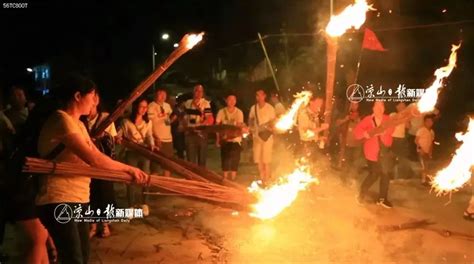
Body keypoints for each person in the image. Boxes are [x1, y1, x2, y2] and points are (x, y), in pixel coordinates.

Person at [36, 74, 148, 264]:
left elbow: (99, 156)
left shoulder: (79, 124)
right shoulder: (61, 120)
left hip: (80, 198)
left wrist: (124, 172)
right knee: (73, 259)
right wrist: (129, 169)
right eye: (92, 95)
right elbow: (94, 159)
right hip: (59, 198)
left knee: (83, 256)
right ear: (78, 96)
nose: (95, 101)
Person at [81, 92, 117, 239]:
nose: (93, 100)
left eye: (96, 96)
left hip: (102, 163)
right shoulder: (80, 119)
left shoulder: (106, 118)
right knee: (89, 194)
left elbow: (113, 141)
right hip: (86, 163)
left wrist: (103, 137)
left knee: (105, 193)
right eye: (90, 96)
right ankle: (92, 225)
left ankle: (105, 224)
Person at [354, 101, 395, 208]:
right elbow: (357, 132)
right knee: (374, 174)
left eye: (381, 106)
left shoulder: (388, 119)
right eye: (377, 106)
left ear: (384, 108)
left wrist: (383, 131)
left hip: (385, 152)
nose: (379, 108)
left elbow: (391, 129)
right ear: (373, 108)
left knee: (385, 175)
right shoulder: (368, 120)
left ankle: (382, 199)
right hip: (372, 153)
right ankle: (361, 194)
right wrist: (364, 134)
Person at [119, 98, 155, 216]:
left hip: (144, 152)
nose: (144, 109)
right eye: (142, 106)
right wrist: (118, 138)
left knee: (146, 178)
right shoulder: (126, 121)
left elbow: (149, 135)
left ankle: (144, 204)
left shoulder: (148, 122)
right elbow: (120, 134)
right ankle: (131, 206)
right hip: (131, 152)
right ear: (136, 107)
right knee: (131, 180)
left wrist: (151, 145)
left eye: (146, 107)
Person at [248, 88, 276, 184]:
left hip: (267, 137)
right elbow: (251, 119)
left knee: (266, 160)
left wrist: (266, 126)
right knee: (258, 159)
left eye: (261, 95)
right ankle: (262, 178)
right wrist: (252, 128)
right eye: (257, 95)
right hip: (257, 137)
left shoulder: (270, 108)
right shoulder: (253, 108)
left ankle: (267, 179)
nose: (259, 97)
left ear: (264, 96)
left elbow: (273, 122)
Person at [216, 93, 245, 180]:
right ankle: (225, 178)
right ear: (226, 101)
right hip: (225, 140)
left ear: (236, 101)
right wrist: (217, 139)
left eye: (233, 100)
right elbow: (217, 126)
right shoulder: (221, 112)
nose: (231, 102)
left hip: (236, 140)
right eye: (229, 100)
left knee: (235, 160)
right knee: (225, 159)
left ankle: (233, 179)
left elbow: (240, 125)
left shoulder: (239, 112)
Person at [183, 84, 214, 167]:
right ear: (194, 92)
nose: (199, 93)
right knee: (190, 159)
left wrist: (200, 125)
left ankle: (201, 177)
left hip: (201, 133)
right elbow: (184, 117)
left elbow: (210, 118)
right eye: (197, 90)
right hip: (190, 133)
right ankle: (191, 177)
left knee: (202, 158)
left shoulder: (205, 103)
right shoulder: (188, 103)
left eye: (201, 91)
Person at [148, 89, 175, 177]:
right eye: (160, 94)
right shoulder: (151, 106)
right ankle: (154, 188)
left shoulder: (167, 106)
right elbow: (150, 124)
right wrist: (155, 137)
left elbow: (167, 121)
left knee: (168, 166)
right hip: (158, 139)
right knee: (156, 166)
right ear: (156, 95)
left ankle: (166, 187)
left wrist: (174, 118)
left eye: (164, 94)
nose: (163, 96)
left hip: (168, 138)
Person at [297, 95, 329, 168]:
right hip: (306, 145)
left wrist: (319, 138)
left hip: (313, 144)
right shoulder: (304, 114)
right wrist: (321, 128)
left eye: (321, 103)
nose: (320, 106)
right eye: (318, 103)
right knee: (305, 168)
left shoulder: (315, 115)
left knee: (314, 168)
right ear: (311, 102)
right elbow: (306, 133)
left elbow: (314, 131)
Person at [335, 102, 362, 183]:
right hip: (346, 142)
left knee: (355, 162)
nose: (354, 106)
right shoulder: (345, 114)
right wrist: (345, 119)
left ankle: (352, 178)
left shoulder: (360, 115)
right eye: (353, 104)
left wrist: (358, 121)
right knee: (346, 161)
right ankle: (343, 179)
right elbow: (337, 123)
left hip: (357, 144)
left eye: (356, 104)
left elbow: (363, 128)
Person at [389, 102, 409, 179]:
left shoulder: (406, 116)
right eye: (401, 106)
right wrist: (401, 116)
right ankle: (390, 175)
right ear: (397, 107)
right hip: (393, 138)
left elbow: (408, 126)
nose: (403, 108)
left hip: (401, 139)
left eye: (404, 106)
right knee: (391, 157)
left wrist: (406, 118)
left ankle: (400, 176)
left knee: (401, 157)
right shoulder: (393, 114)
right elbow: (392, 122)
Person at [416, 114, 435, 186]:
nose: (429, 123)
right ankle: (423, 181)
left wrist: (430, 151)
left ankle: (425, 180)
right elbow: (416, 140)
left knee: (427, 166)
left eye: (431, 121)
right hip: (421, 151)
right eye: (428, 121)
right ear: (424, 122)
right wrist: (420, 149)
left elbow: (431, 142)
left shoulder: (432, 132)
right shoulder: (421, 130)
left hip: (427, 151)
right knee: (424, 166)